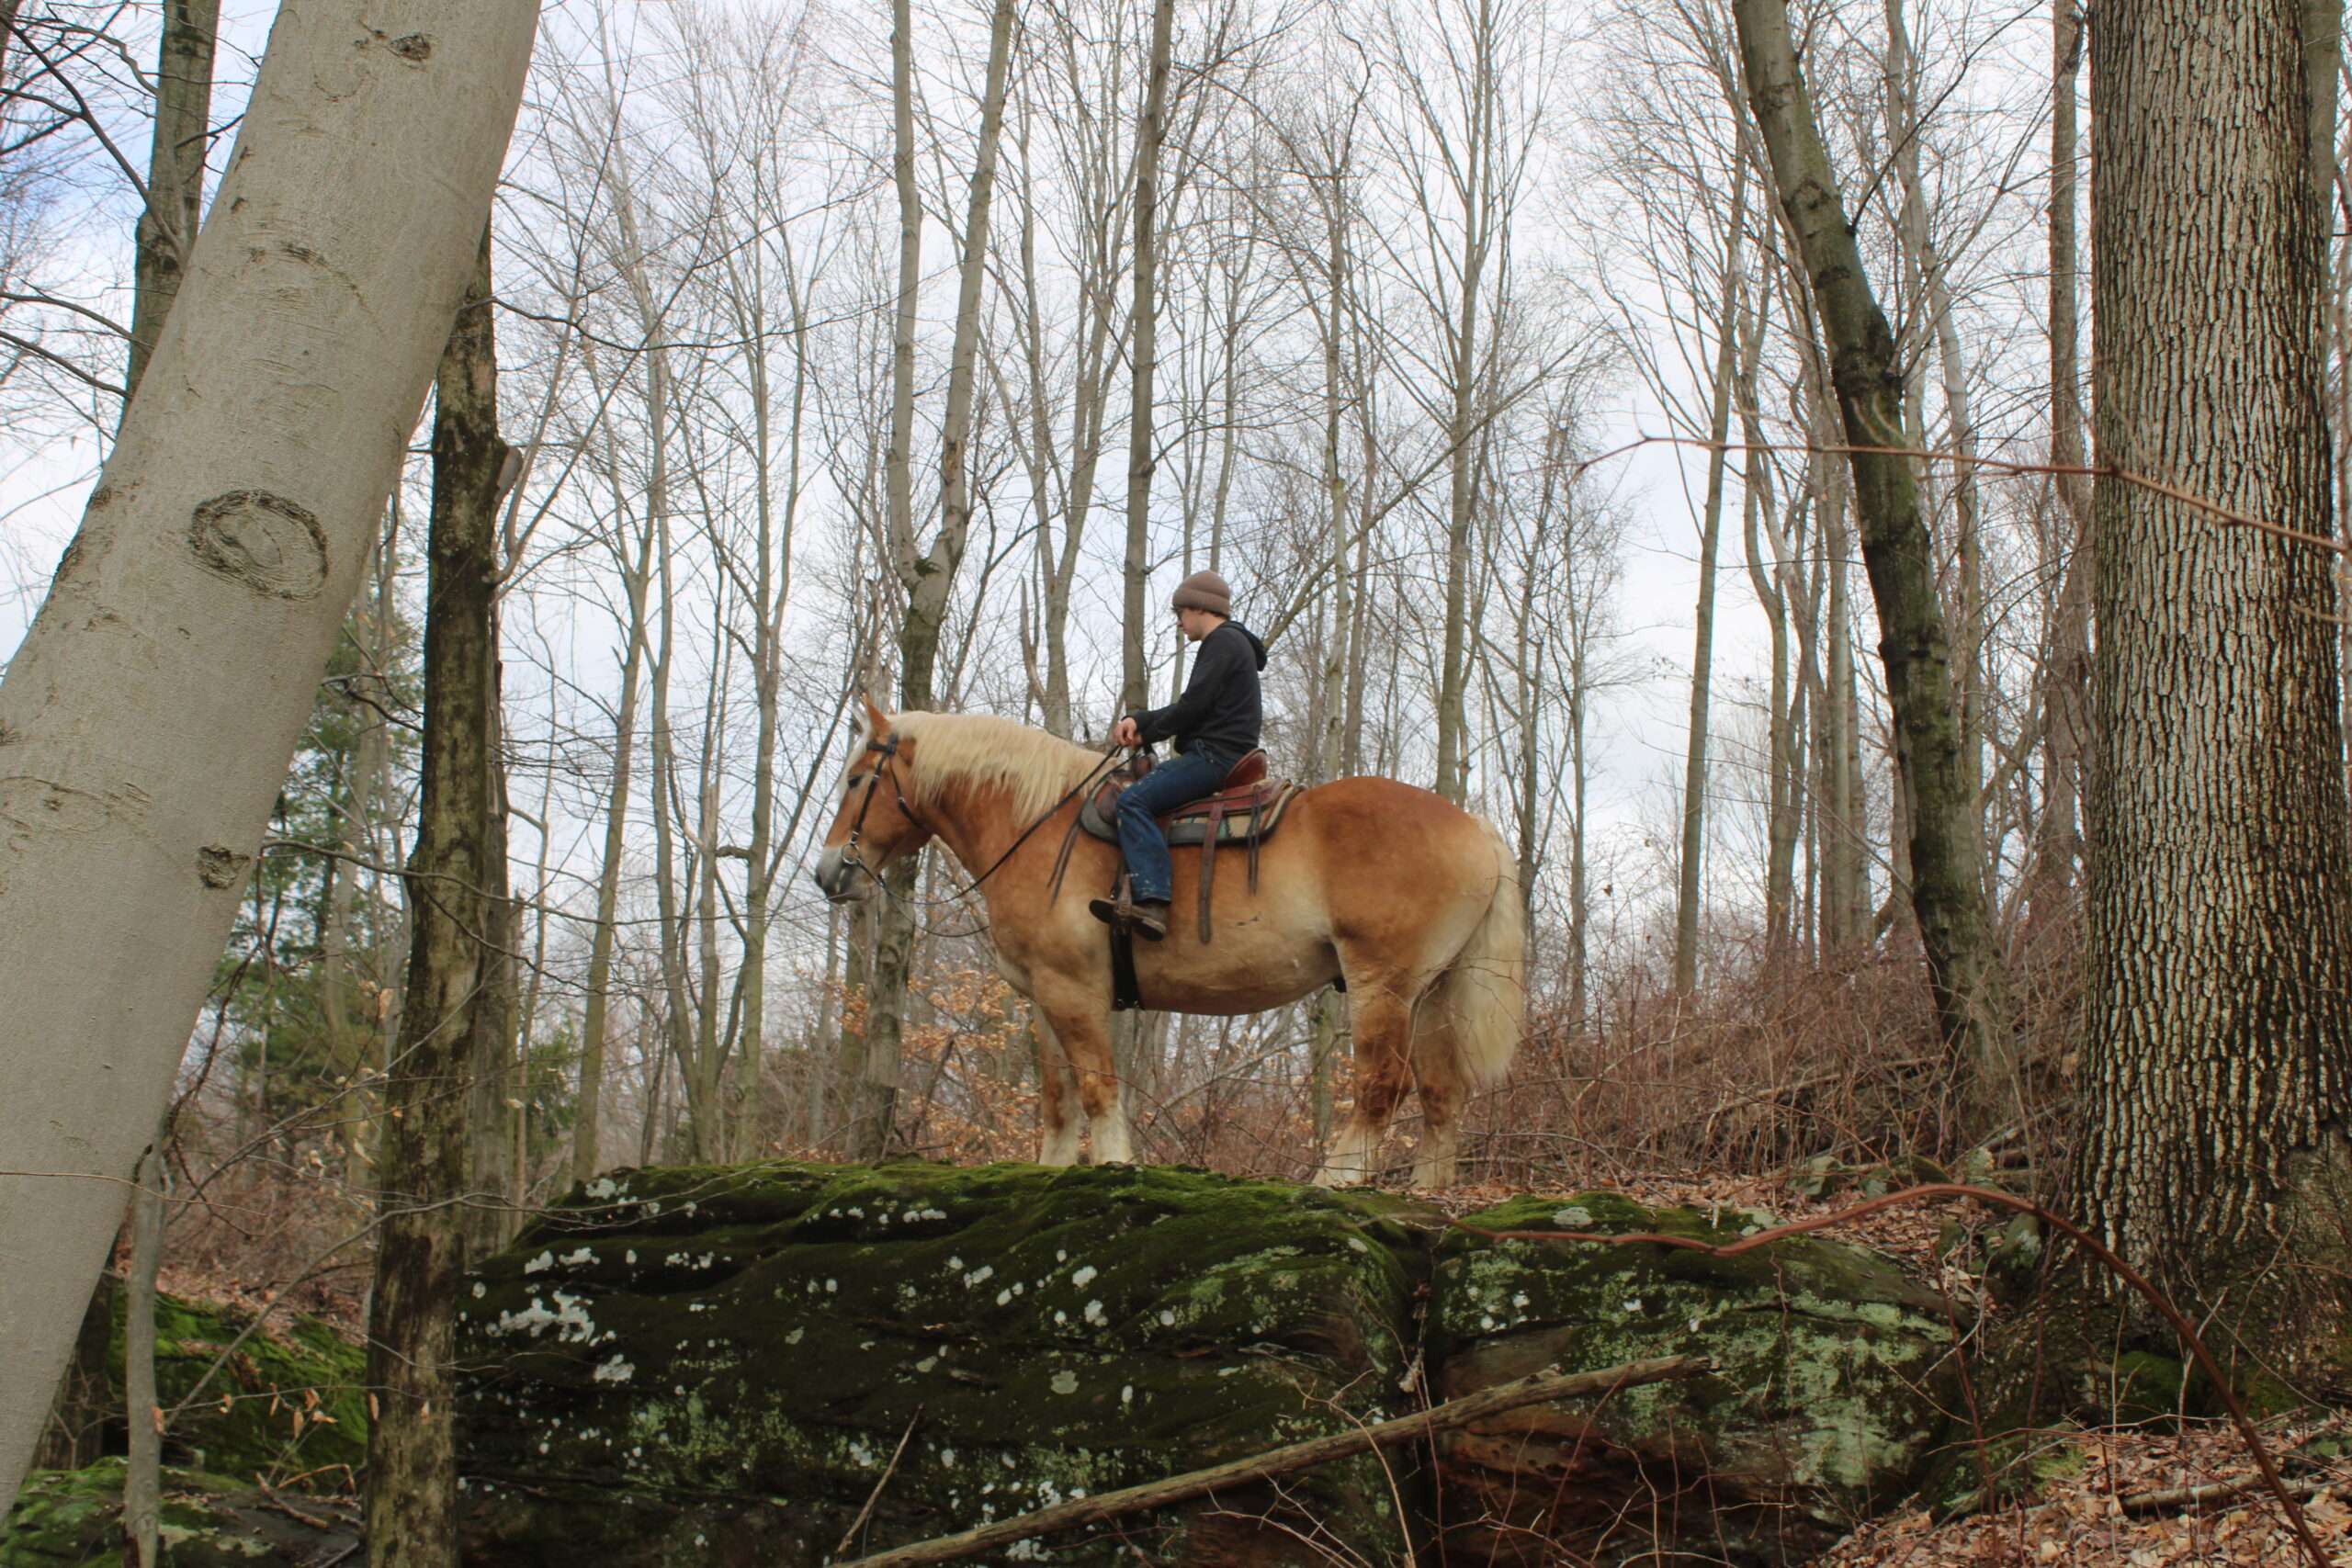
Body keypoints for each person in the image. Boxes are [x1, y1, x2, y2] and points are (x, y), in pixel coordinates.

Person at [1091, 570, 1268, 941]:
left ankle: (1152, 899)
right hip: (1226, 752)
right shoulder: (1234, 644)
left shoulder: (1222, 642)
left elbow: (1192, 708)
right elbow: (1195, 706)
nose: (1179, 623)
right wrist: (1142, 721)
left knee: (1132, 801)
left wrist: (1145, 730)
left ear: (1199, 607)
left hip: (1214, 756)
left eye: (1180, 613)